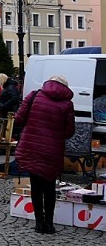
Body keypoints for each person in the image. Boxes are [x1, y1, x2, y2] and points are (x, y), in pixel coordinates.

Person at [14, 75, 75, 234]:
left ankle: (38, 223)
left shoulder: (34, 95)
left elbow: (19, 118)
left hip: (32, 146)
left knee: (36, 187)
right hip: (53, 150)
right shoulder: (67, 104)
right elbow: (69, 132)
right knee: (49, 187)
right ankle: (49, 224)